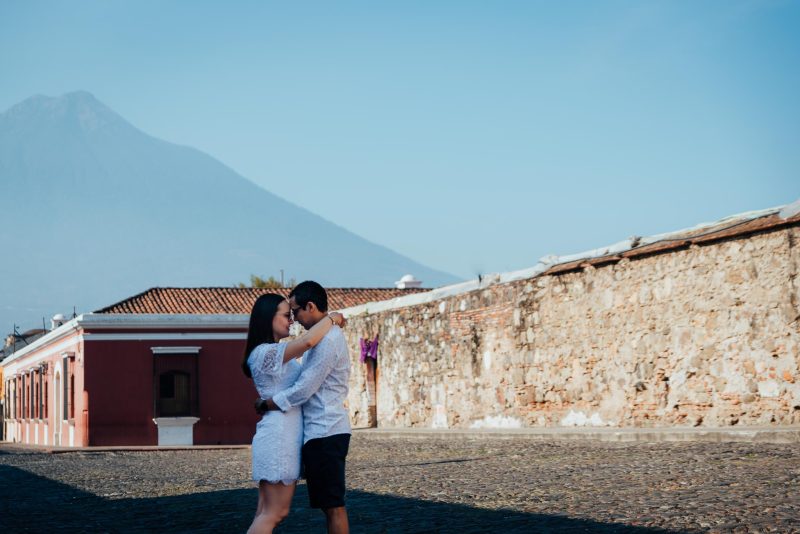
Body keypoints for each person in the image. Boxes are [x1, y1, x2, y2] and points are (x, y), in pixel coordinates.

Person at [242, 293, 345, 534]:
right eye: (286, 315)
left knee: (266, 513)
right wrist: (332, 319)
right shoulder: (265, 353)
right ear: (268, 318)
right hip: (279, 438)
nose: (291, 321)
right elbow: (307, 342)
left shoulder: (272, 352)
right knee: (274, 513)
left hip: (280, 434)